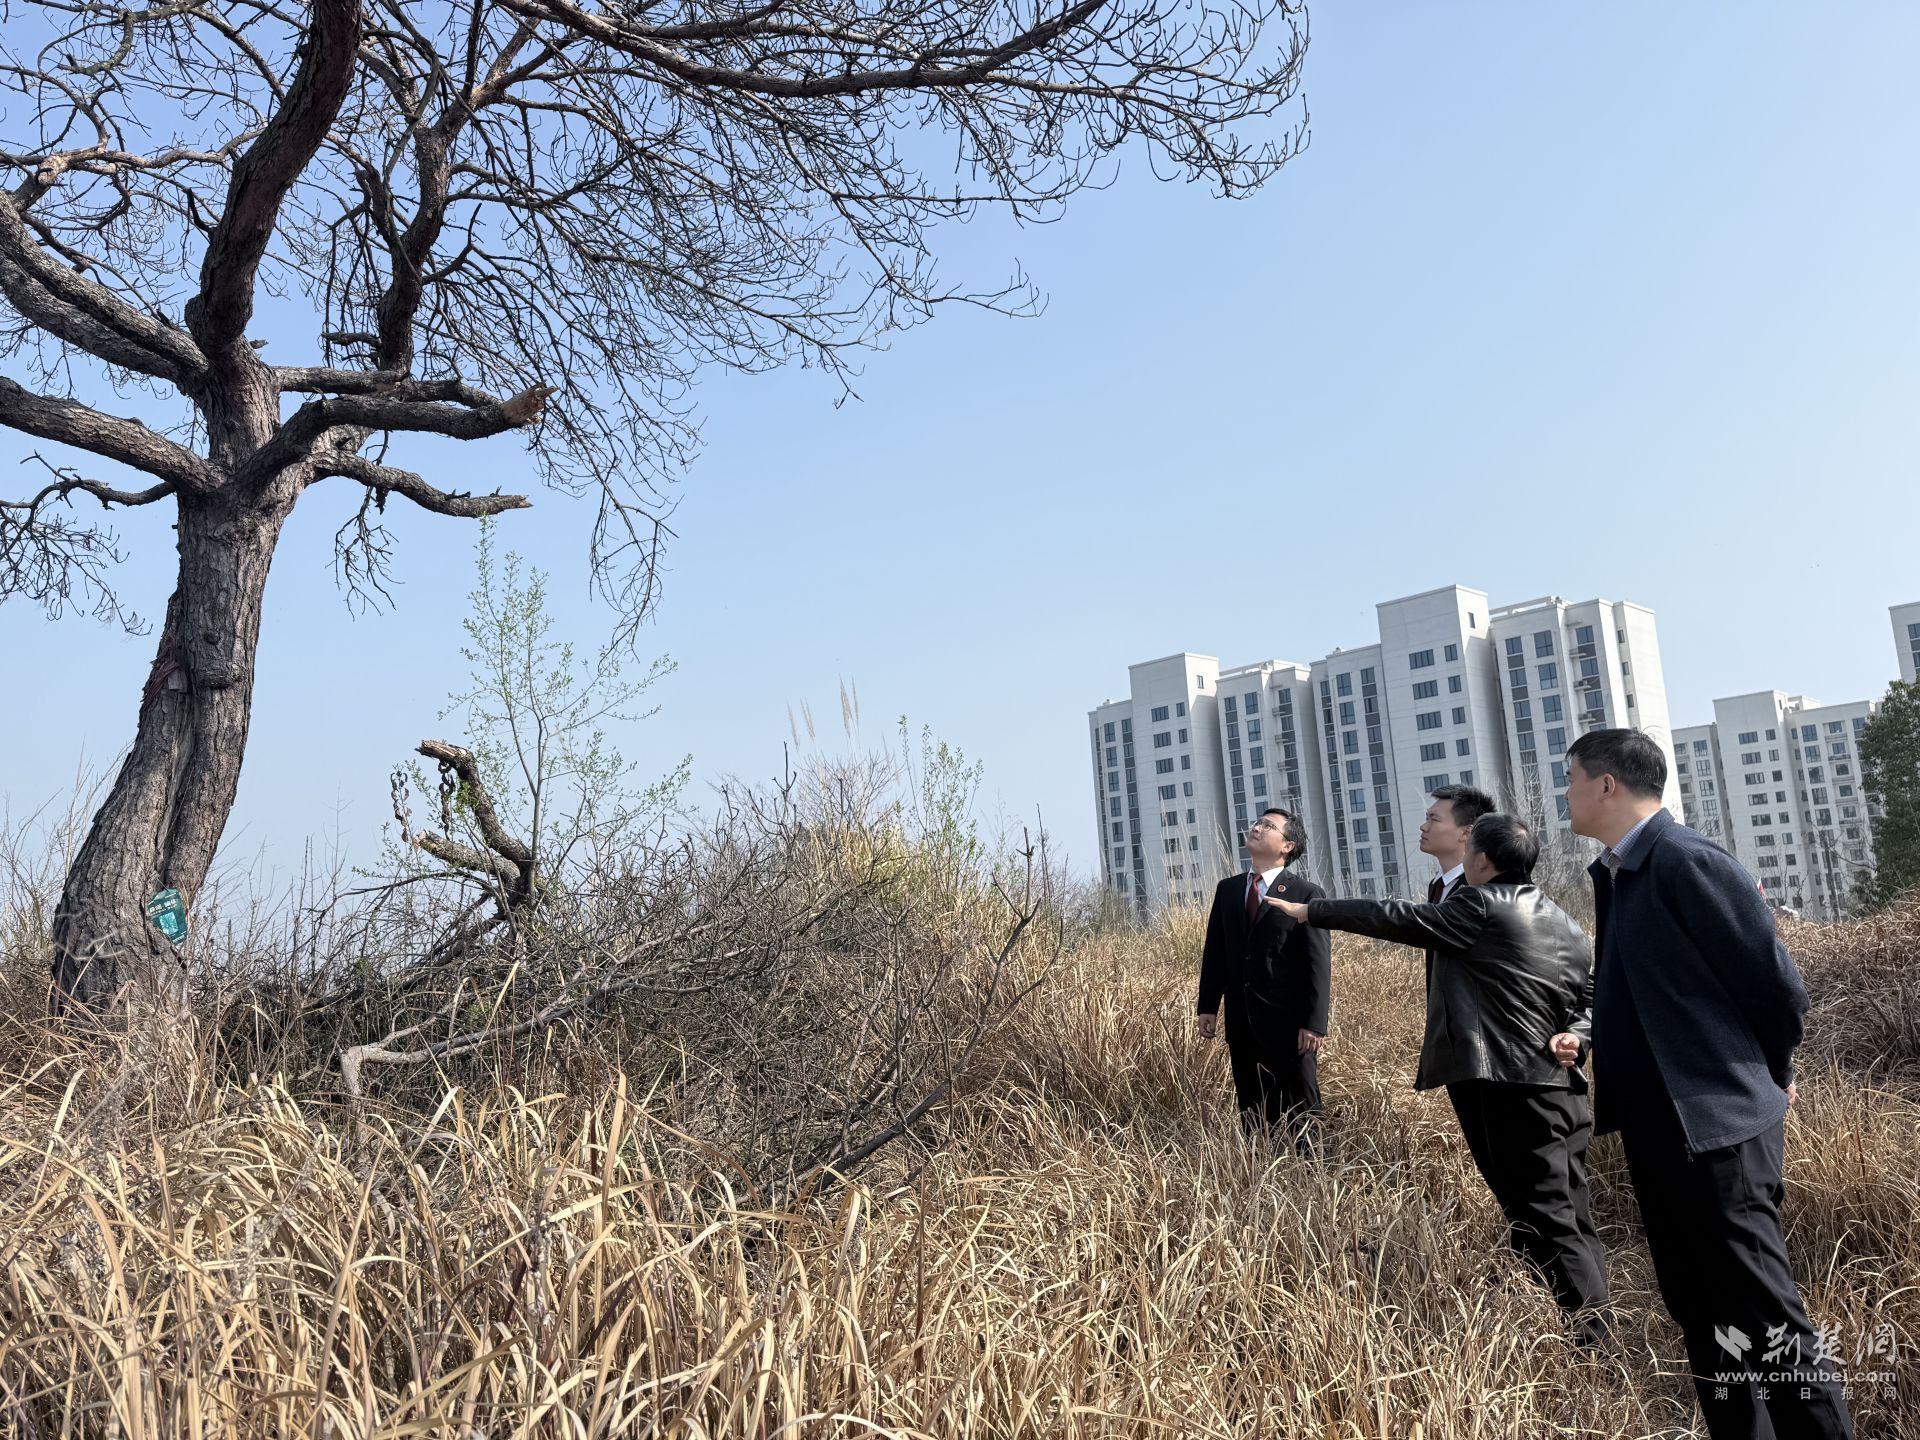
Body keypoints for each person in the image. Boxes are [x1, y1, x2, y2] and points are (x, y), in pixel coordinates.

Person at [1565, 728, 1851, 1438]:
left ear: (1607, 784)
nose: (1564, 794)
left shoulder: (1686, 860)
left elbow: (1776, 989)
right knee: (1703, 1313)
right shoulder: (1621, 872)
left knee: (1765, 1315)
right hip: (1663, 1128)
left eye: (1571, 779)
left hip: (1718, 1127)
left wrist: (1771, 1075)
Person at [1270, 814, 1608, 1331]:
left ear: (1483, 860)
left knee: (1547, 1217)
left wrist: (1312, 910)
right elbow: (1592, 997)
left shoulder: (1478, 905)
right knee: (1569, 1215)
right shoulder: (1566, 922)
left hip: (1508, 1087)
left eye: (1470, 847)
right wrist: (1578, 1037)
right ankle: (1569, 1327)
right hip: (1561, 1090)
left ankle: (1592, 1341)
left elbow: (1397, 916)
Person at [1195, 807, 1330, 1151]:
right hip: (1241, 1021)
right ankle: (1260, 1171)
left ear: (1287, 846)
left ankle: (1314, 1171)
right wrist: (1208, 1005)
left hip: (1290, 1025)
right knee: (1253, 1111)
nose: (1257, 827)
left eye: (1268, 826)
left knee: (1302, 1110)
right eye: (1258, 822)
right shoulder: (1228, 890)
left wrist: (1314, 1024)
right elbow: (1216, 951)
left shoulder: (1305, 894)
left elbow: (1317, 963)